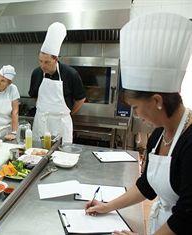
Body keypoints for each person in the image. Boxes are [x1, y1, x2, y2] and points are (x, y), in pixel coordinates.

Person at [85, 13, 192, 235]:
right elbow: (147, 186)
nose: (137, 114)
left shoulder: (190, 143)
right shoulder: (159, 135)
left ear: (157, 101)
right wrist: (108, 206)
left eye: (136, 107)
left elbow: (188, 216)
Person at [29, 22, 86, 143]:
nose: (42, 65)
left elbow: (81, 99)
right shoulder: (36, 73)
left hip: (61, 124)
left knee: (62, 155)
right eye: (40, 61)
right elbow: (35, 96)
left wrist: (66, 113)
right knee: (37, 154)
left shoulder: (71, 74)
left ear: (56, 59)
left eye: (46, 62)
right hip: (41, 123)